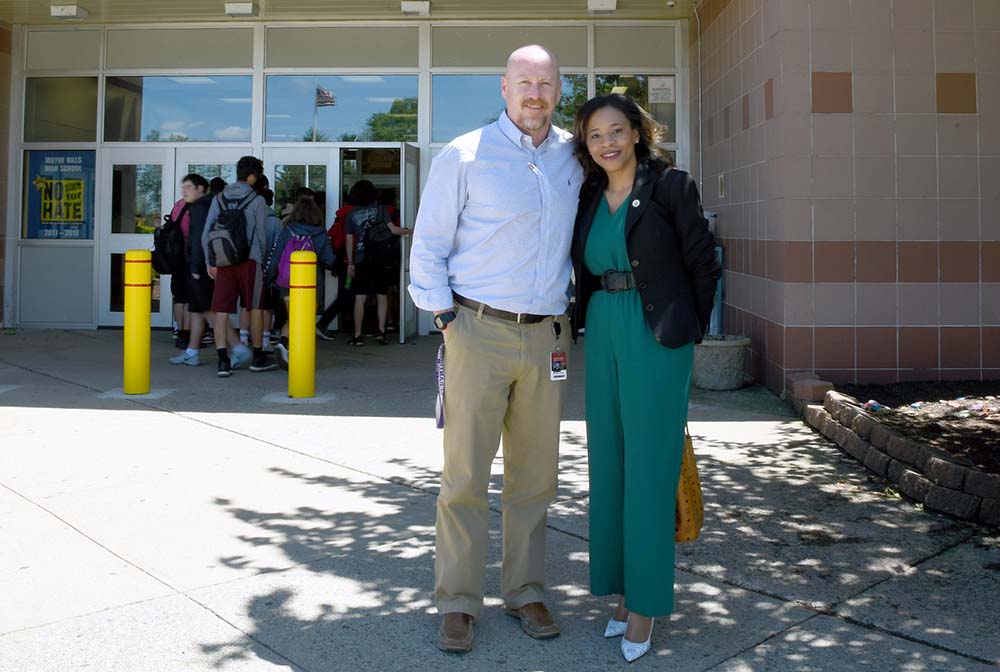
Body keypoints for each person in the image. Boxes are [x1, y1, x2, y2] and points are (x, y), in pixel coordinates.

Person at [408, 45, 583, 654]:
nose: (535, 94)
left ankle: (527, 590)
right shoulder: (465, 154)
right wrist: (446, 318)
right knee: (465, 477)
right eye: (524, 83)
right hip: (477, 330)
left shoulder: (573, 156)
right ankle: (457, 601)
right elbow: (428, 244)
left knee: (536, 477)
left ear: (559, 90)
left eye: (546, 83)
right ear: (503, 89)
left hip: (548, 336)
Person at [570, 94, 721, 662]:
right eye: (594, 136)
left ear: (636, 131)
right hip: (604, 327)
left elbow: (703, 261)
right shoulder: (588, 195)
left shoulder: (671, 185)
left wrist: (689, 328)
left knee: (651, 468)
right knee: (608, 460)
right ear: (586, 147)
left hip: (657, 336)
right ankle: (621, 589)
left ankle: (646, 606)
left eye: (616, 130)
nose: (607, 143)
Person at [202, 155, 277, 377]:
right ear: (253, 176)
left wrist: (210, 261)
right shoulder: (257, 200)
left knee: (222, 311)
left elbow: (207, 232)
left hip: (223, 261)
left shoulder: (219, 198)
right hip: (250, 261)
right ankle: (257, 357)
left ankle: (223, 360)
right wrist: (262, 263)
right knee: (254, 308)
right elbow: (262, 237)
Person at [263, 195, 336, 369]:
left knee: (293, 316)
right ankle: (292, 351)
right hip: (310, 284)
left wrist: (269, 278)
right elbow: (329, 258)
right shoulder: (320, 233)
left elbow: (276, 255)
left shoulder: (287, 230)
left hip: (286, 282)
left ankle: (284, 344)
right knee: (303, 319)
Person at [345, 180, 411, 346]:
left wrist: (350, 262)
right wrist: (411, 231)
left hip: (361, 259)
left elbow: (349, 240)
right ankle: (381, 332)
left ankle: (358, 335)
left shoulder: (351, 214)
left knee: (360, 298)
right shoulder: (382, 210)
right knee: (382, 295)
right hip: (381, 259)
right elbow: (393, 230)